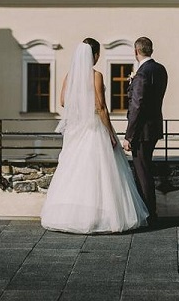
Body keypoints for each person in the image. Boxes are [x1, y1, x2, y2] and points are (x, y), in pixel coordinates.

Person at [40, 38, 148, 234]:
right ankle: (100, 217)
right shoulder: (95, 75)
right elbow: (101, 107)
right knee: (99, 173)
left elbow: (63, 101)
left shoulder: (69, 76)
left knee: (74, 171)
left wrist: (81, 105)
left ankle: (70, 216)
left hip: (76, 130)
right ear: (96, 55)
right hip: (94, 129)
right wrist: (110, 133)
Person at [122, 36, 168, 225]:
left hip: (142, 131)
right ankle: (148, 211)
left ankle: (149, 214)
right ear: (151, 50)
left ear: (136, 51)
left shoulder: (142, 73)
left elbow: (137, 106)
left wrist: (129, 135)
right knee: (145, 169)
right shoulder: (160, 69)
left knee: (143, 173)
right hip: (155, 126)